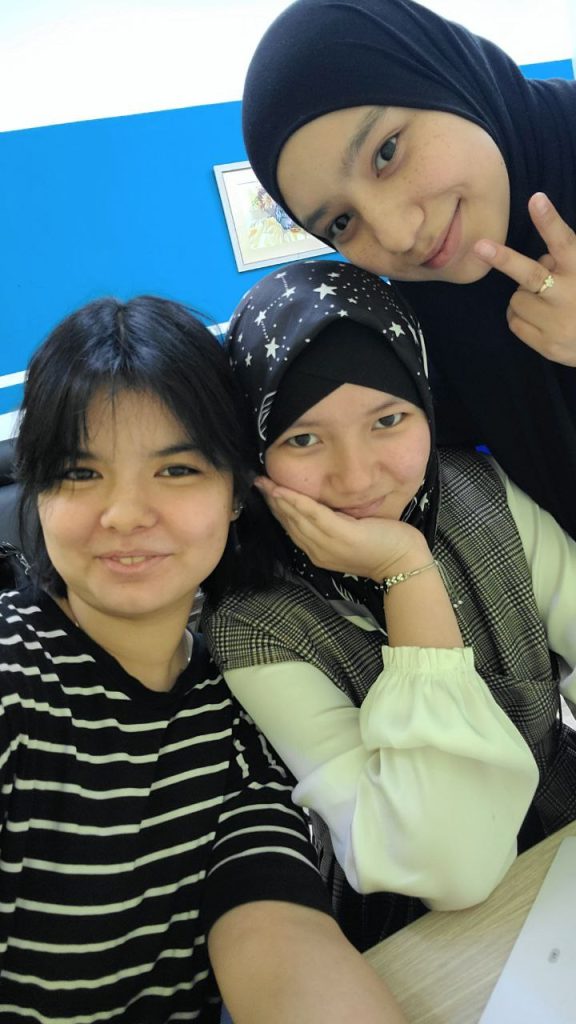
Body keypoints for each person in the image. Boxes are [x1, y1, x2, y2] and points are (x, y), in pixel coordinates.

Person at [0, 295, 407, 1023]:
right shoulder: (12, 680)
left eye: (177, 470)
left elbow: (278, 936)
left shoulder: (241, 706)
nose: (124, 513)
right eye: (80, 474)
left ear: (235, 495)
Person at [202, 259, 576, 953]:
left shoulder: (479, 491)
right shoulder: (252, 629)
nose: (357, 476)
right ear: (254, 453)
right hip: (423, 937)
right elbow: (451, 862)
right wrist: (405, 570)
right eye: (304, 438)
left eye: (388, 419)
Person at [239, 0, 576, 539]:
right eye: (342, 222)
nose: (397, 236)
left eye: (387, 151)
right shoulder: (429, 328)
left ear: (444, 79)